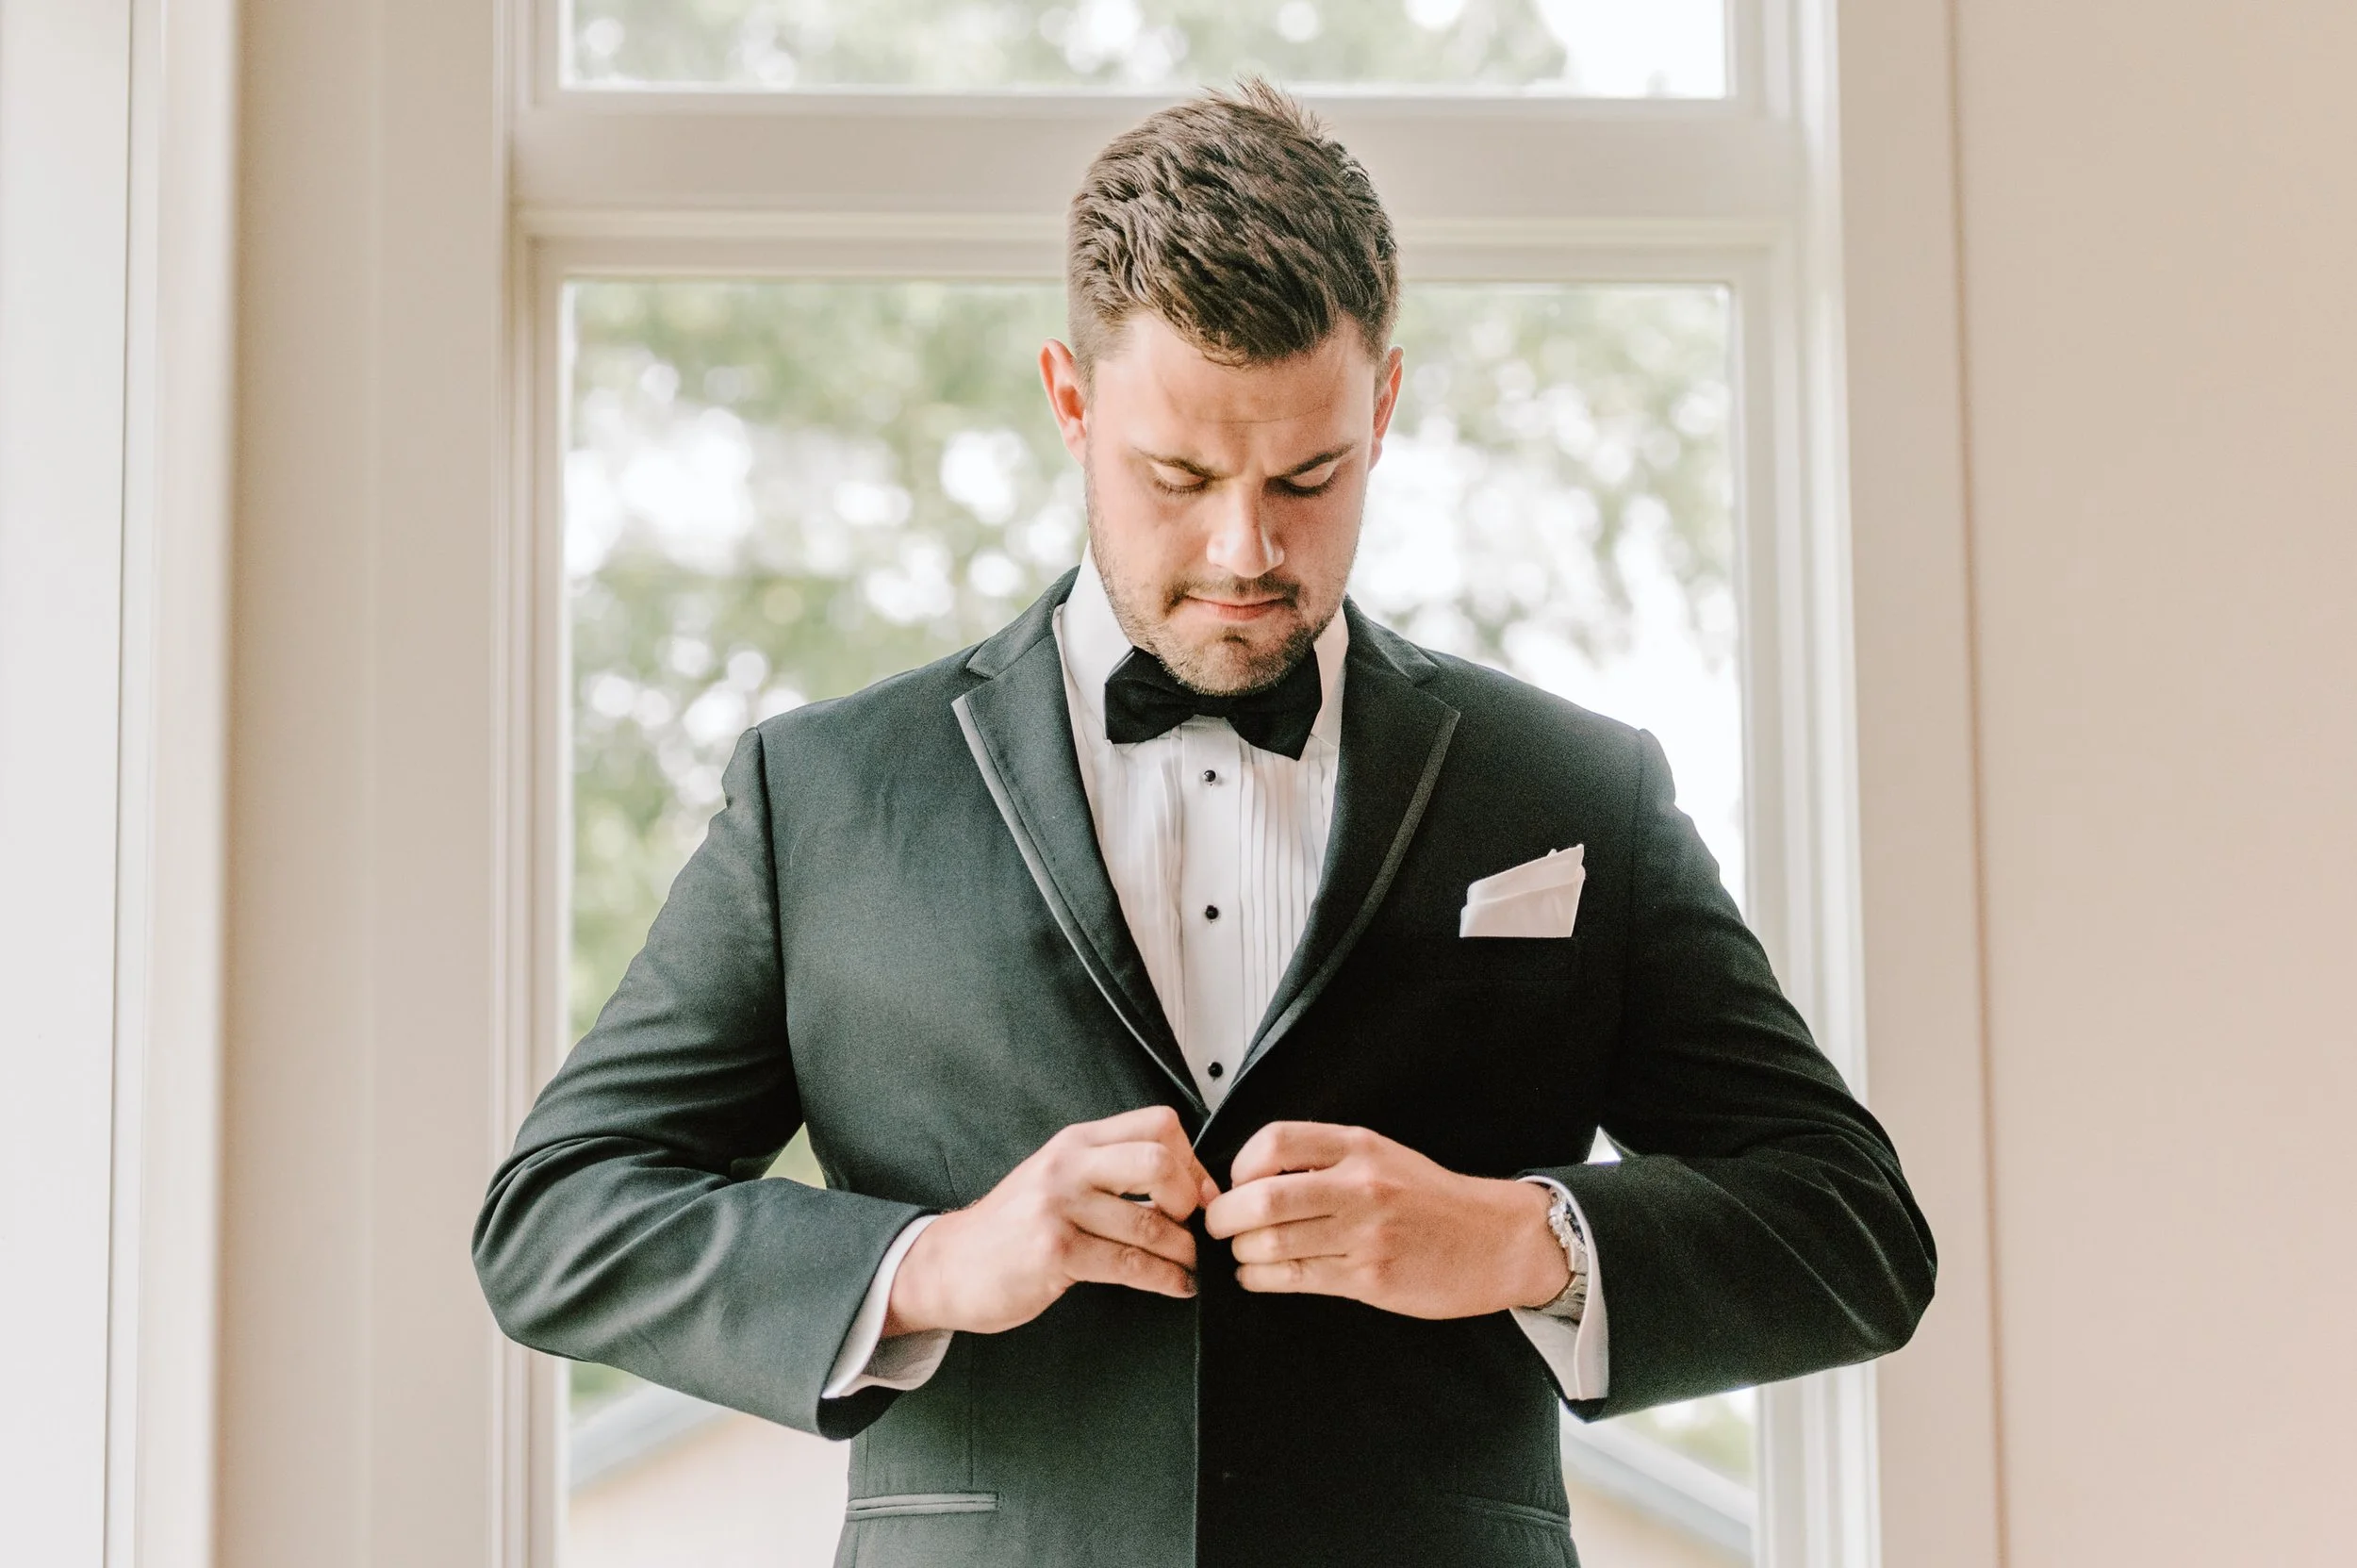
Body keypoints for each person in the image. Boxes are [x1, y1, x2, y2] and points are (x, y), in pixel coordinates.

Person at [474, 80, 1935, 1568]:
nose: (1248, 548)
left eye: (1310, 476)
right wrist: (932, 1262)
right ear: (1069, 400)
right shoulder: (826, 793)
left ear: (1383, 405)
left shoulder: (1569, 790)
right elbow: (556, 1220)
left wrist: (1514, 1237)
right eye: (1177, 477)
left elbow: (1854, 1234)